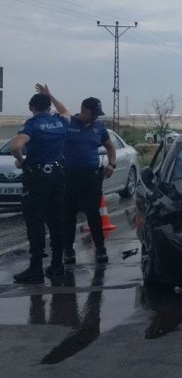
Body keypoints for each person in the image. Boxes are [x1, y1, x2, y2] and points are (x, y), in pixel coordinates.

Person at [41, 87, 117, 265]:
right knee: (68, 216)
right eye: (93, 113)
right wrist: (50, 96)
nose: (96, 117)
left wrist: (112, 164)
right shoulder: (69, 123)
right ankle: (68, 251)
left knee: (94, 214)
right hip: (69, 177)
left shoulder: (99, 127)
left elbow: (110, 147)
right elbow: (62, 110)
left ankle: (100, 249)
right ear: (83, 110)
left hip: (91, 177)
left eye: (98, 113)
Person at [11, 86, 70, 283]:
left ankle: (36, 267)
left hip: (37, 178)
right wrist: (51, 95)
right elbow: (65, 111)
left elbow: (15, 146)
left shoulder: (33, 125)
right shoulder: (60, 122)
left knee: (35, 221)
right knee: (56, 220)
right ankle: (57, 265)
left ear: (31, 107)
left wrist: (22, 161)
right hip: (58, 174)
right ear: (48, 106)